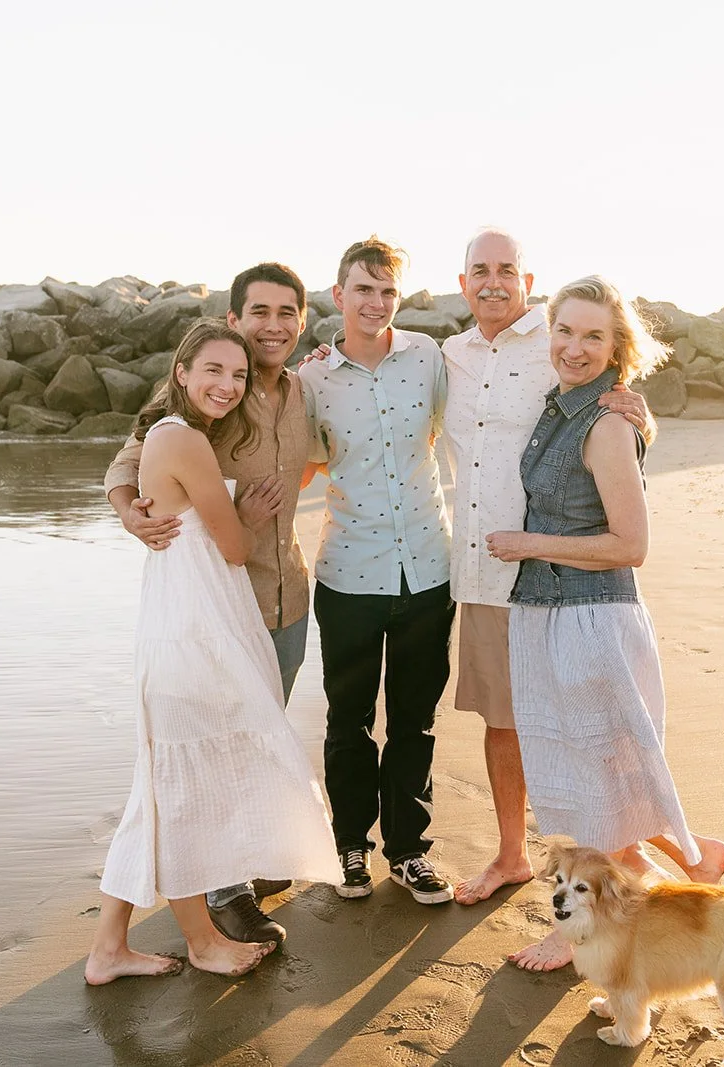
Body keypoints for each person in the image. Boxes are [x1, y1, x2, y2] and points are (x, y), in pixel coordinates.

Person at [485, 276, 724, 972]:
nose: (574, 347)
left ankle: (577, 927)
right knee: (585, 781)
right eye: (564, 331)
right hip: (547, 615)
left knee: (587, 787)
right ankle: (693, 858)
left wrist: (530, 543)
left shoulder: (608, 422)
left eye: (593, 336)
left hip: (592, 619)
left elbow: (631, 545)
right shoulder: (561, 407)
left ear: (617, 346)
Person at [86, 320, 338, 984]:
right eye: (213, 372)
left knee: (162, 787)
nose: (226, 386)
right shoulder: (186, 440)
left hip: (180, 623)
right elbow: (229, 545)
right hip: (193, 632)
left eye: (236, 375)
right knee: (184, 788)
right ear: (181, 372)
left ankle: (109, 945)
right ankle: (201, 939)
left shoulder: (171, 435)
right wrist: (244, 513)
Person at [439, 230, 657, 908]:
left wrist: (645, 421)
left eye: (507, 270)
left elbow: (615, 412)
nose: (494, 281)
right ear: (464, 280)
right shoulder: (445, 356)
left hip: (562, 581)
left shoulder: (558, 343)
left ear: (527, 282)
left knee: (585, 727)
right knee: (503, 721)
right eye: (481, 270)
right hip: (482, 571)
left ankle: (627, 855)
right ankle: (512, 855)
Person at [298, 237, 456, 905]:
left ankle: (409, 850)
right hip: (349, 572)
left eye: (388, 291)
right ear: (339, 295)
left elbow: (477, 425)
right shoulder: (310, 378)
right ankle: (350, 845)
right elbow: (292, 461)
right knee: (349, 719)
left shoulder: (428, 359)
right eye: (363, 289)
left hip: (427, 567)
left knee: (415, 720)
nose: (376, 302)